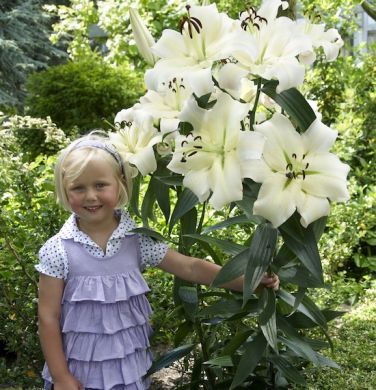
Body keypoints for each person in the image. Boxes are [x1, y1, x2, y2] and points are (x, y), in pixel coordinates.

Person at [36, 132, 280, 390]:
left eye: (100, 185)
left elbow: (190, 267)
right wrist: (61, 377)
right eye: (78, 188)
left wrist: (248, 281)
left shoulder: (136, 240)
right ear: (65, 189)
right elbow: (48, 317)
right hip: (79, 371)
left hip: (128, 366)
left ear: (120, 183)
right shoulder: (58, 251)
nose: (90, 196)